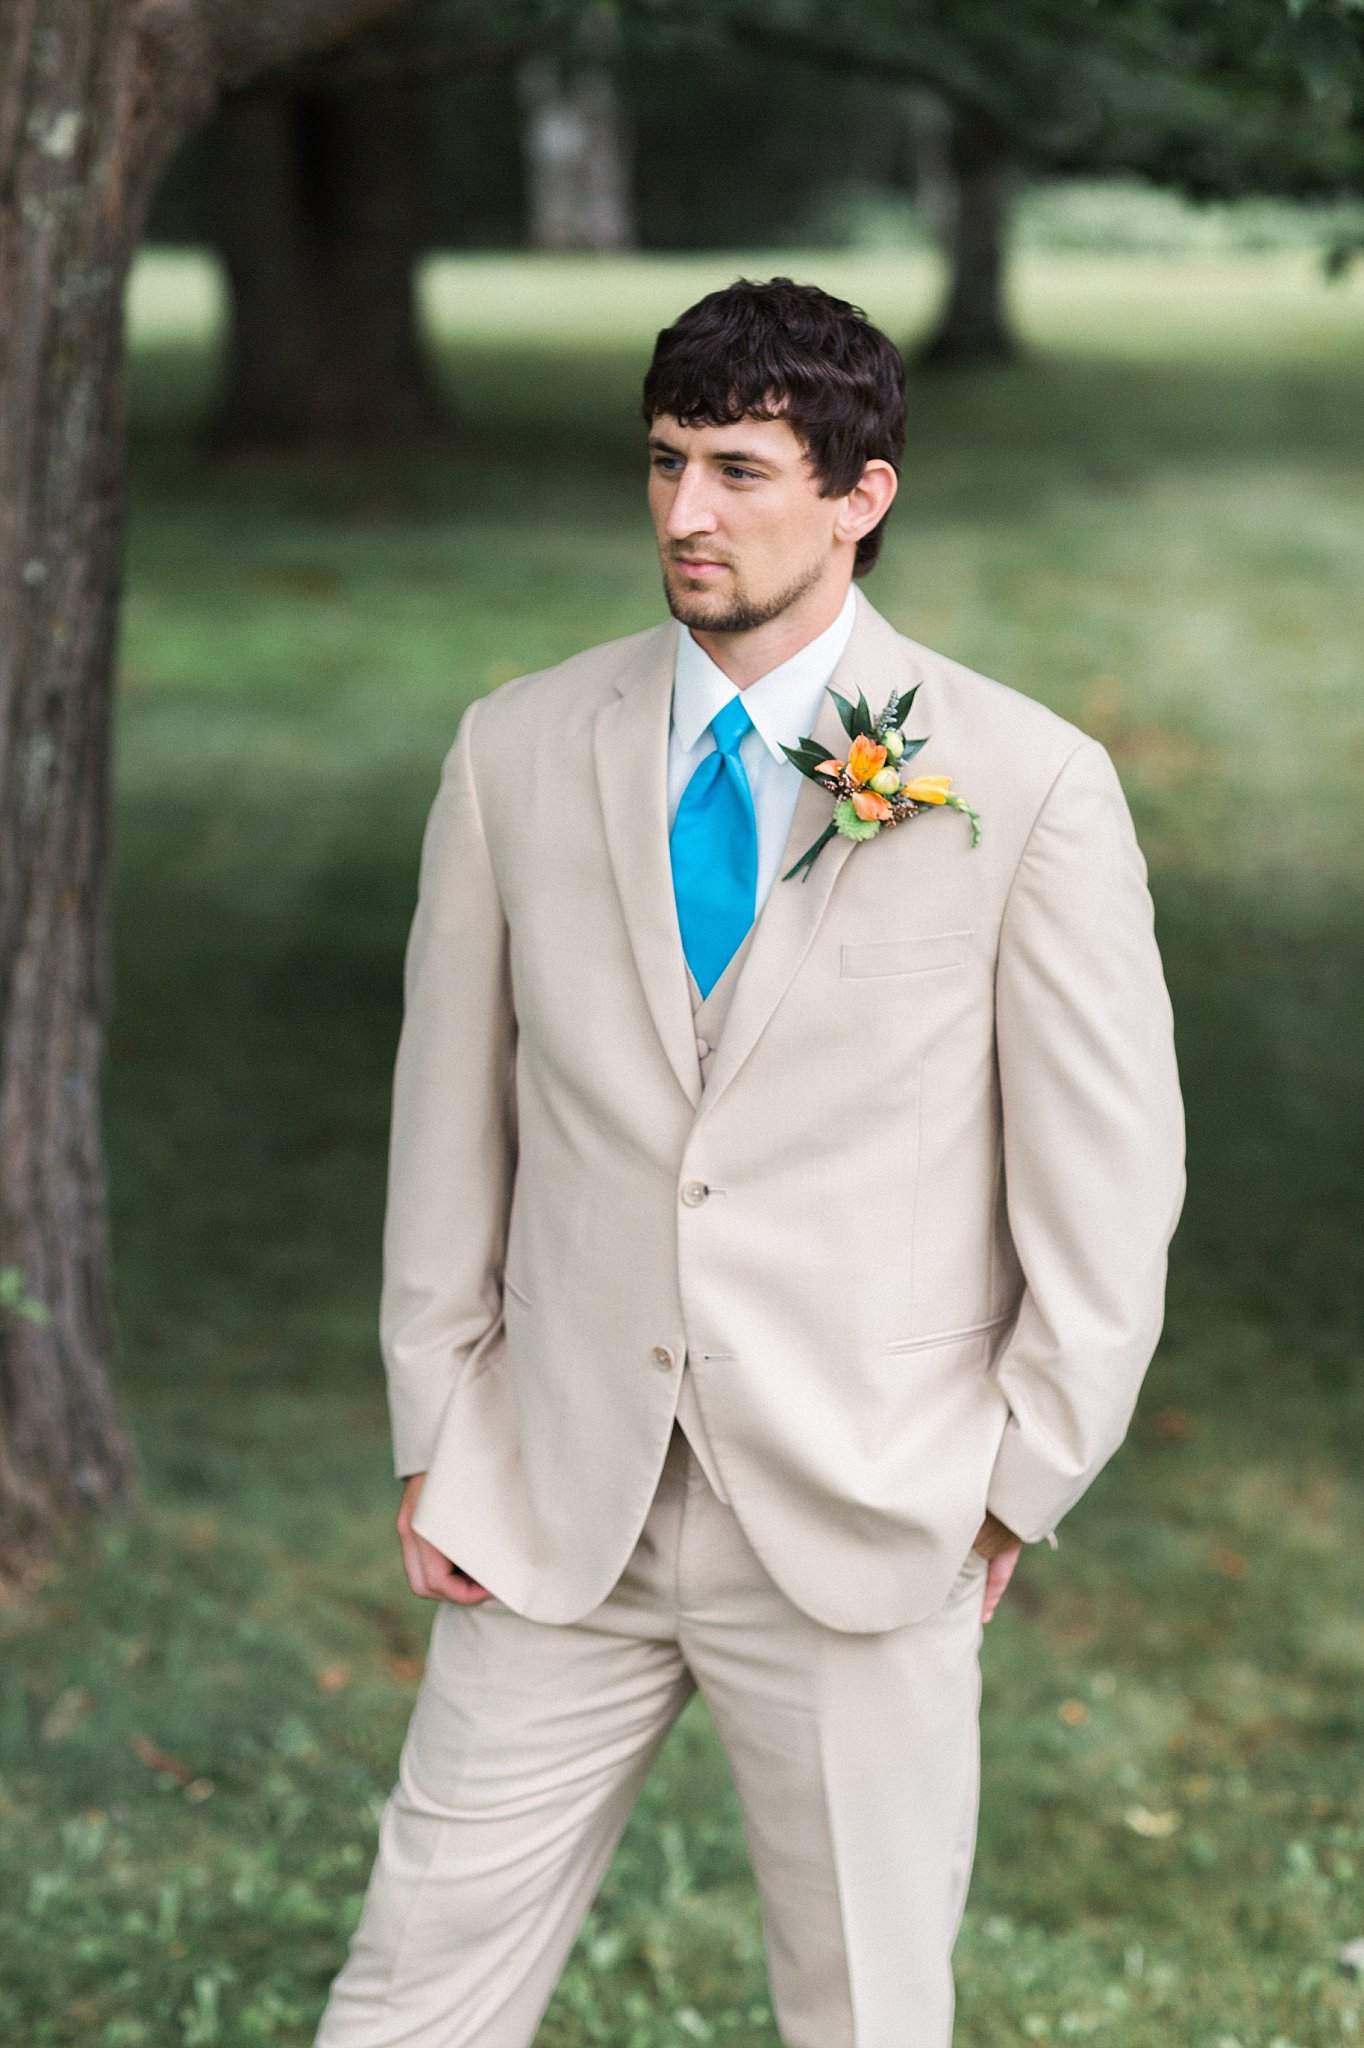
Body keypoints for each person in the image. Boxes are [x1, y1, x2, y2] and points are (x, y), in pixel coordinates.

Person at [314, 278, 1184, 2048]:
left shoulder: (1023, 785)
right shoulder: (515, 754)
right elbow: (446, 1124)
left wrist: (1012, 1483)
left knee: (865, 2013)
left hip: (869, 1509)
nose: (687, 514)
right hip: (556, 1500)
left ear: (861, 496)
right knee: (409, 1994)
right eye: (662, 464)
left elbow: (1109, 1186)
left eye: (739, 470)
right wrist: (437, 1424)